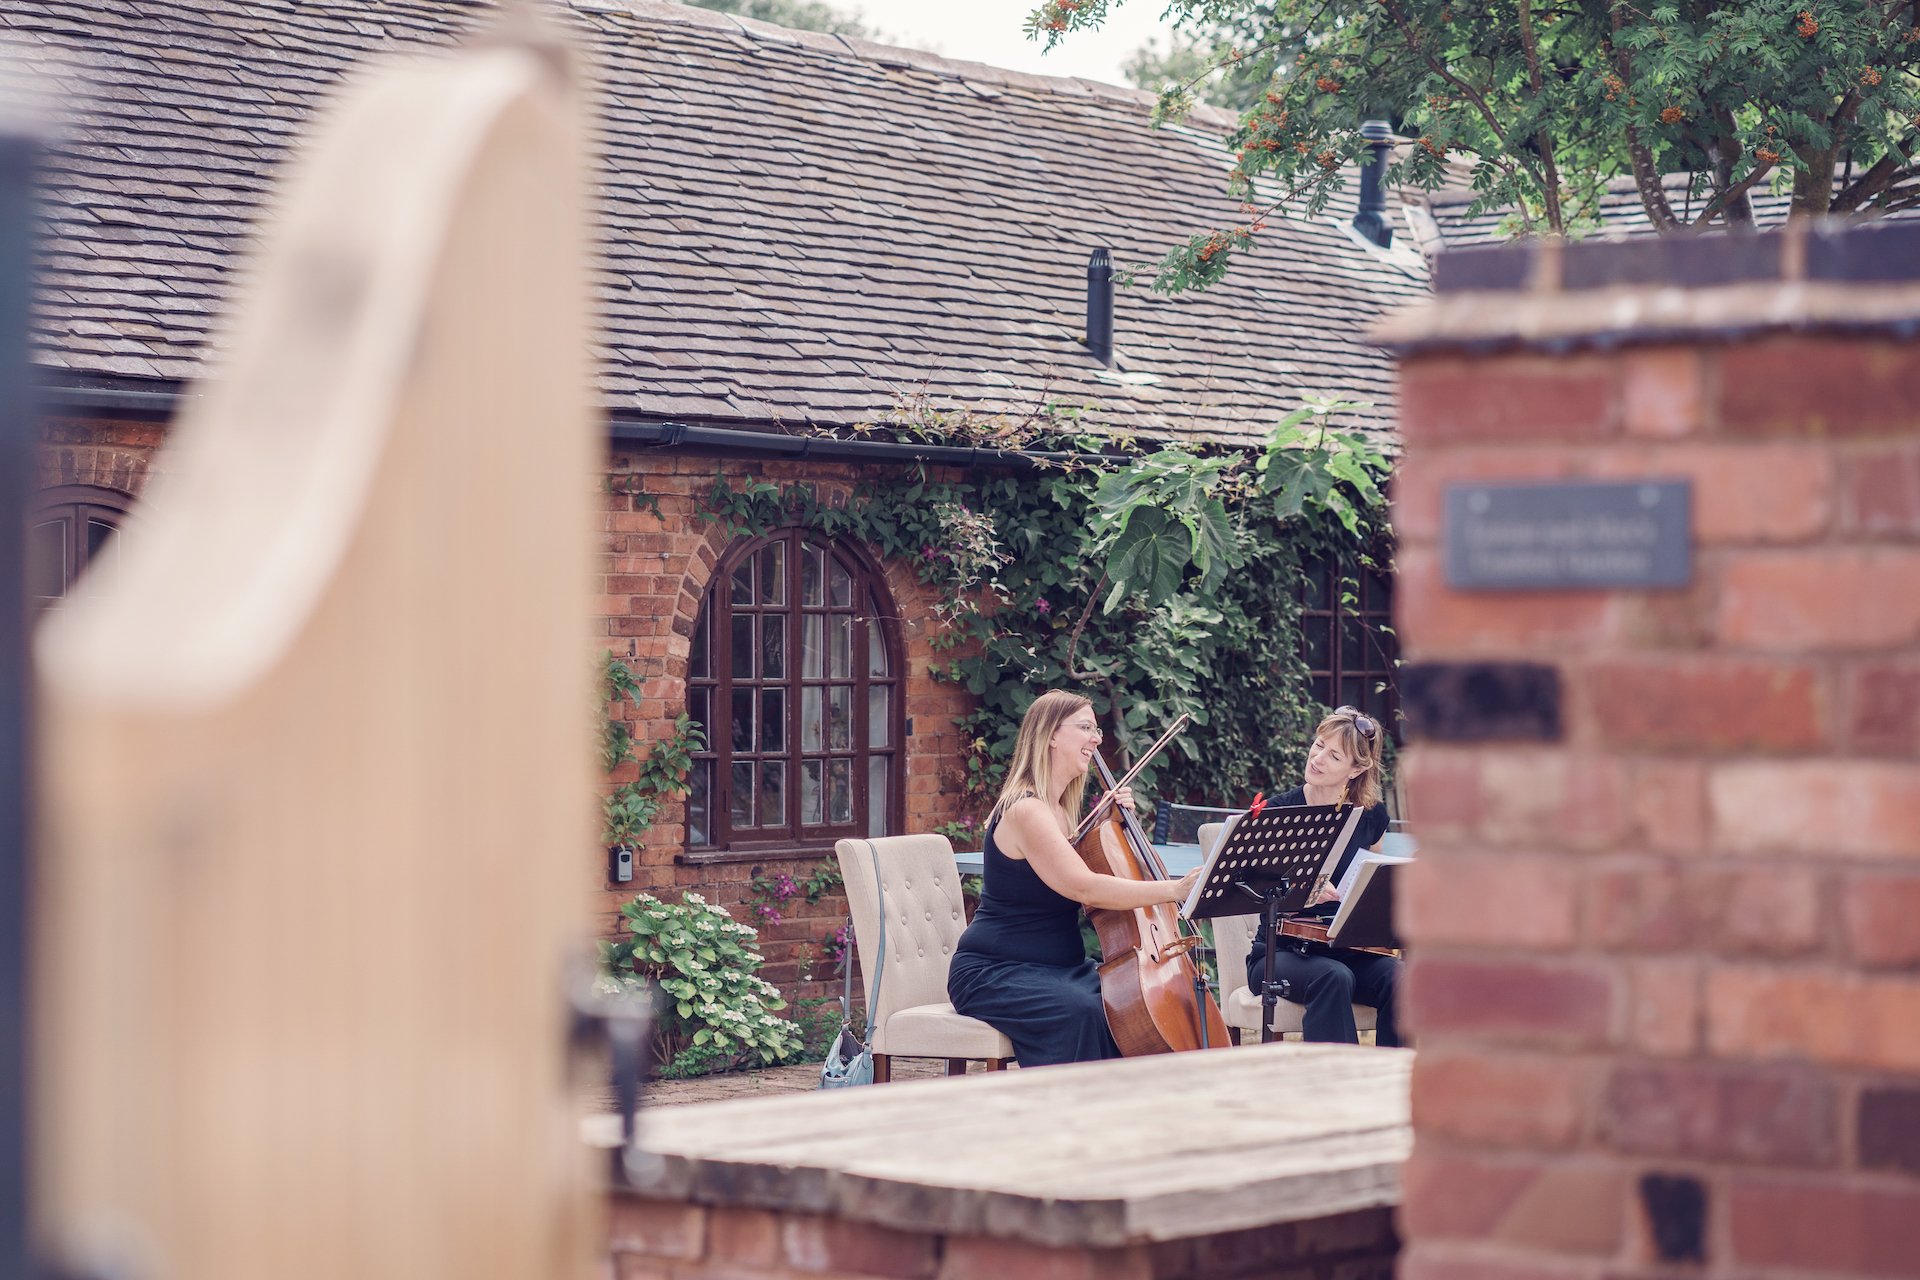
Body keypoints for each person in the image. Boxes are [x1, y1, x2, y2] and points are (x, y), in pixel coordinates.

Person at [947, 690, 1200, 1067]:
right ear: (1050, 735)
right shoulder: (1026, 810)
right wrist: (1175, 889)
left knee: (1126, 1001)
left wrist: (1117, 827)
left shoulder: (1063, 812)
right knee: (1085, 1011)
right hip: (996, 971)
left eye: (1097, 730)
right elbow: (1085, 887)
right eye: (1085, 728)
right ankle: (1070, 1101)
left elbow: (1110, 876)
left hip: (1060, 970)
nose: (1096, 739)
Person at [1243, 705, 1402, 1047]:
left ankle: (1394, 1076)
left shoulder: (1371, 817)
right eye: (1318, 745)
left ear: (1357, 769)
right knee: (1333, 976)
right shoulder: (1277, 813)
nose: (1317, 759)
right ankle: (1335, 1078)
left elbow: (1370, 886)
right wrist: (1303, 889)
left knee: (1400, 978)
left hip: (1346, 949)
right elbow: (1250, 888)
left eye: (1334, 756)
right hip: (1280, 953)